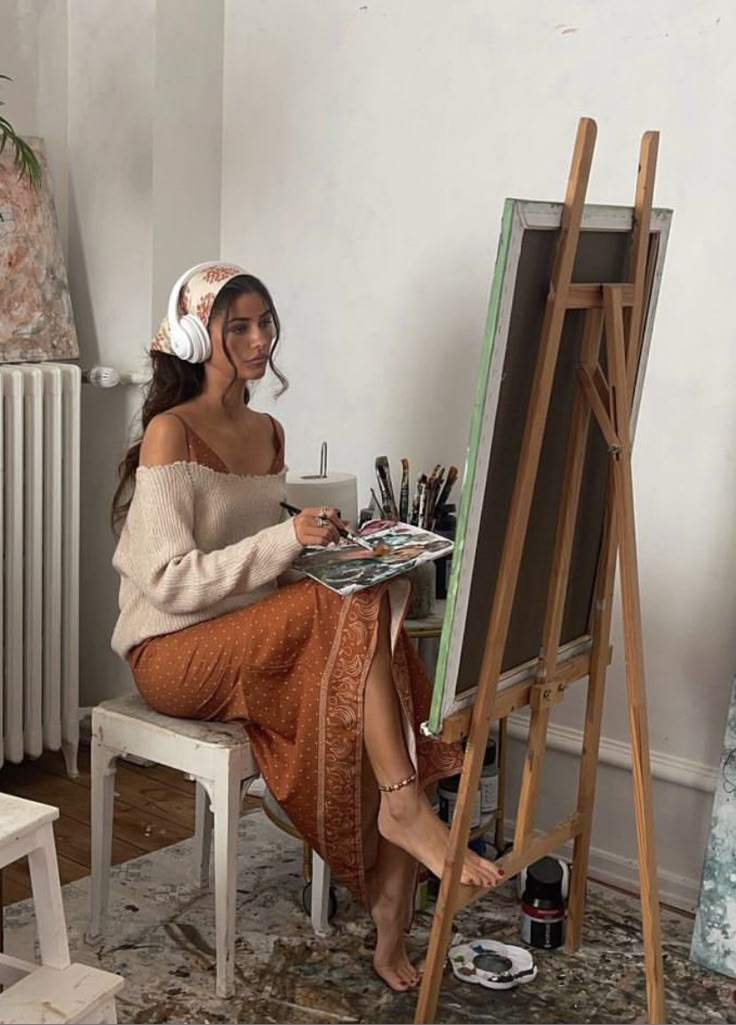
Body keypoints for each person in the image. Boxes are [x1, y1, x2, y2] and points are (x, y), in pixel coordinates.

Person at [110, 261, 503, 992]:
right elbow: (170, 580)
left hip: (243, 634)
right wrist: (289, 541)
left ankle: (391, 888)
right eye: (240, 326)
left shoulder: (268, 430)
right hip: (171, 650)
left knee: (371, 601)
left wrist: (339, 551)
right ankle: (405, 809)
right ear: (201, 336)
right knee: (352, 630)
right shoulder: (171, 433)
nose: (261, 339)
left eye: (266, 322)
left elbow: (261, 566)